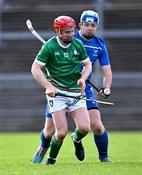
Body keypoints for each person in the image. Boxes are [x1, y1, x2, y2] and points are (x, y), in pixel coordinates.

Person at [33, 10, 112, 164]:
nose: (90, 28)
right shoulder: (66, 38)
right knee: (51, 131)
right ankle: (44, 148)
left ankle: (102, 156)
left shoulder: (98, 44)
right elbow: (38, 66)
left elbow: (104, 70)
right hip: (58, 88)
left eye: (93, 25)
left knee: (93, 125)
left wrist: (105, 87)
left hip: (80, 88)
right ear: (80, 25)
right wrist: (49, 85)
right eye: (86, 24)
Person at [31, 15, 92, 165]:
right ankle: (51, 160)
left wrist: (83, 78)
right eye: (66, 32)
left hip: (76, 91)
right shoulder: (49, 47)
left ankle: (76, 139)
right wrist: (48, 86)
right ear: (58, 32)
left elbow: (88, 65)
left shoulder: (77, 44)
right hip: (57, 93)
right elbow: (35, 68)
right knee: (60, 133)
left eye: (72, 31)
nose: (70, 34)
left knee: (84, 128)